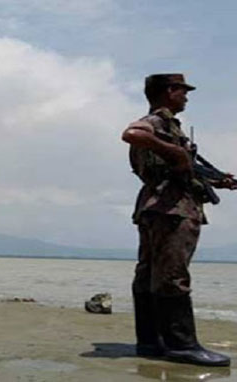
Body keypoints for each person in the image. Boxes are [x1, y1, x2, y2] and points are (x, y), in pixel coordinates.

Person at [122, 73, 235, 366]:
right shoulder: (157, 121)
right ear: (169, 91)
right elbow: (131, 134)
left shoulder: (168, 125)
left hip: (155, 206)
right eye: (182, 91)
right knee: (173, 274)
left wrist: (217, 179)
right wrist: (175, 152)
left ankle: (150, 341)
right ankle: (182, 346)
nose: (186, 97)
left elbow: (179, 165)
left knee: (148, 274)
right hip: (172, 207)